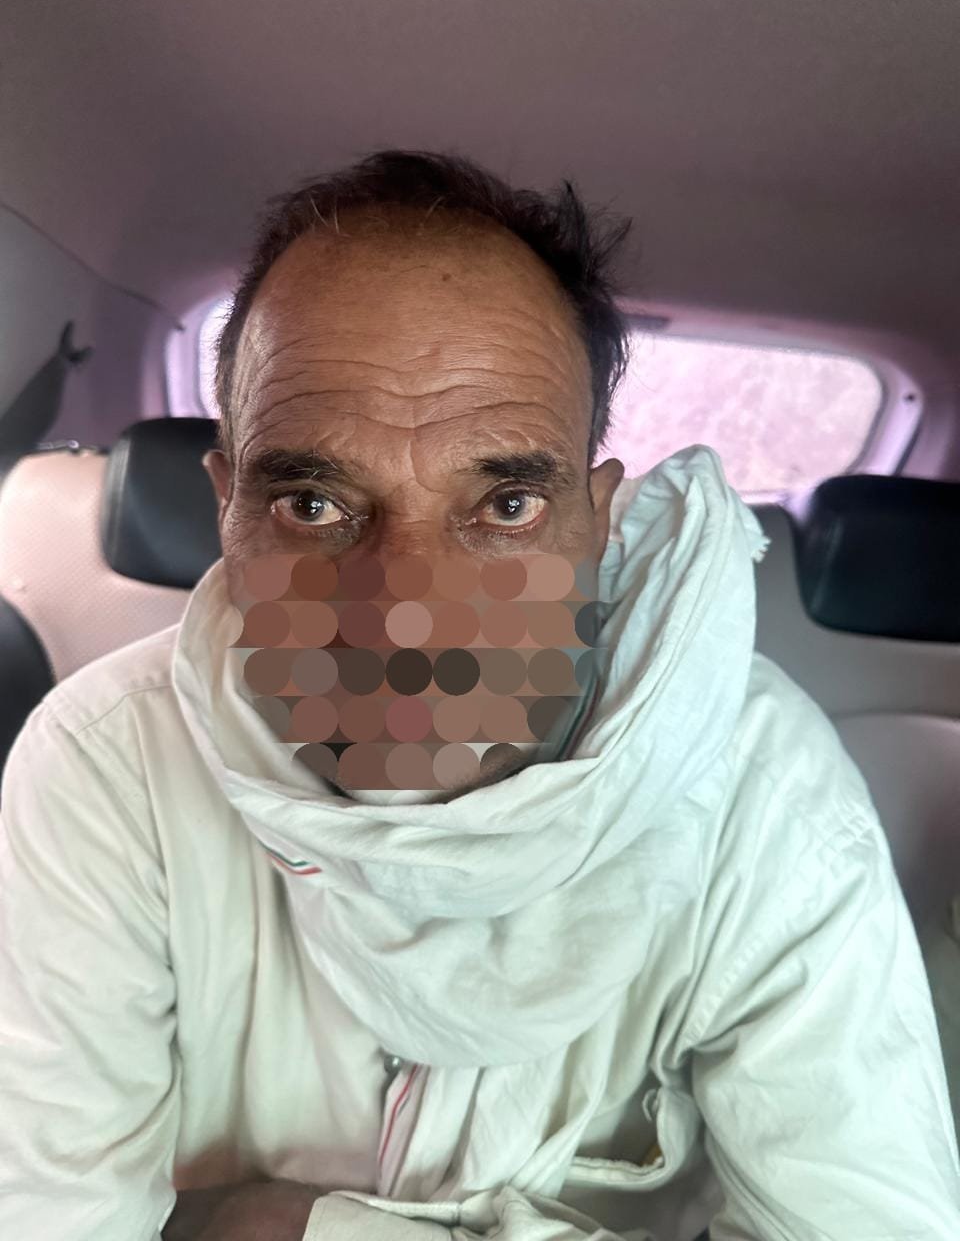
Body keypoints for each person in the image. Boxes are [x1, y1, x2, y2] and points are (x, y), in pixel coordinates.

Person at [1, 149, 958, 1241]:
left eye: (505, 507)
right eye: (313, 504)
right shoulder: (107, 766)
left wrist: (280, 1226)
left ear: (595, 524)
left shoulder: (758, 788)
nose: (407, 619)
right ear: (226, 507)